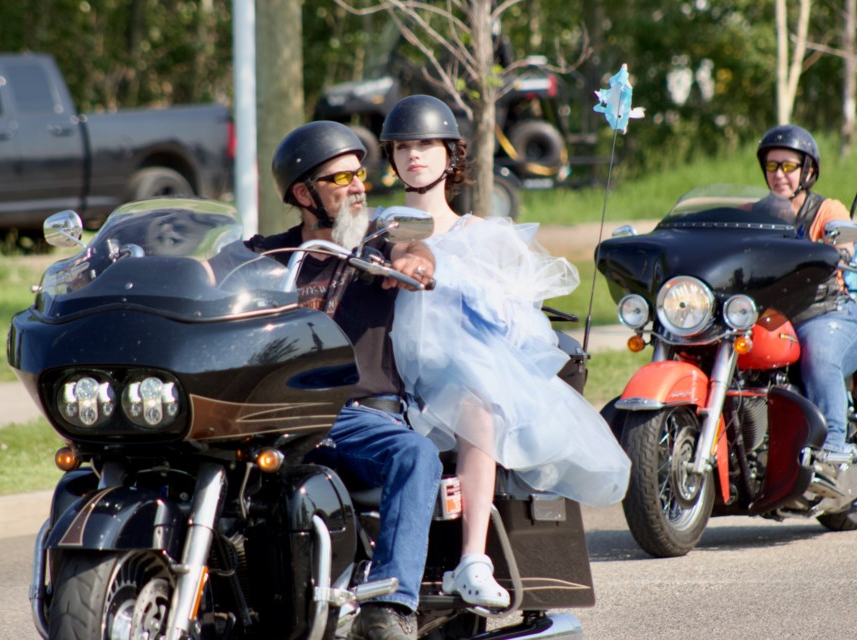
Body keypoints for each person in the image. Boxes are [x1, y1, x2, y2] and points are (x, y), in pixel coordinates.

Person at [380, 95, 631, 608]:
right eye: (402, 146)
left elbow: (517, 321)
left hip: (460, 376)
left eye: (426, 144)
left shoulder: (482, 236)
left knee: (478, 400)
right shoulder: (386, 225)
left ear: (451, 155)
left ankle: (472, 560)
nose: (413, 156)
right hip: (392, 372)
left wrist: (464, 284)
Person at [257, 120, 442, 640]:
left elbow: (417, 252)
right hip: (276, 414)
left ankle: (391, 605)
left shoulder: (379, 243)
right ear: (303, 193)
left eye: (360, 173)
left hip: (355, 415)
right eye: (342, 179)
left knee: (415, 454)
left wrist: (415, 262)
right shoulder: (266, 256)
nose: (359, 185)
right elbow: (207, 276)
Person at [756, 124, 857, 460]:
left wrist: (842, 249)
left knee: (817, 354)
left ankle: (833, 444)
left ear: (808, 171)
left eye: (789, 166)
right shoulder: (756, 214)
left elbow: (846, 240)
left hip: (826, 313)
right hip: (773, 317)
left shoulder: (826, 210)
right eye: (772, 166)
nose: (780, 174)